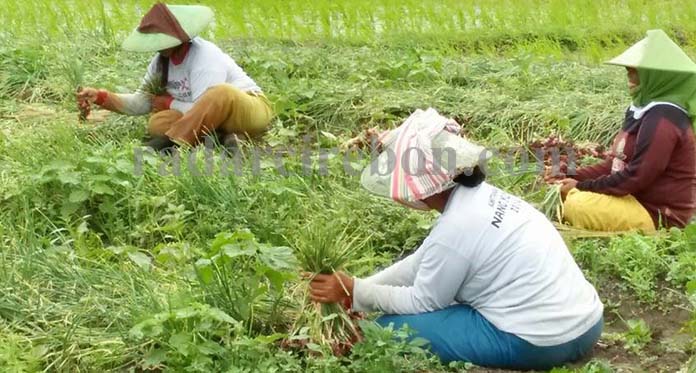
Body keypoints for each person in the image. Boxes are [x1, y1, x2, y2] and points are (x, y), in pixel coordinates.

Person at [309, 109, 604, 370]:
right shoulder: (482, 197)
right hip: (587, 323)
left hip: (540, 342)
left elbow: (423, 300)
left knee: (386, 329)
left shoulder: (455, 229)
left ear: (423, 185)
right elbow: (420, 263)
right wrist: (359, 289)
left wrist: (356, 292)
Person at [76, 3, 273, 150]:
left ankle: (168, 146)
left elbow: (204, 107)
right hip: (206, 119)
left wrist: (169, 103)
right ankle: (224, 138)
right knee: (158, 122)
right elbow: (141, 102)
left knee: (220, 93)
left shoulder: (204, 56)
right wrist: (101, 97)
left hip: (246, 110)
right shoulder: (160, 62)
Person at [557, 29, 696, 231]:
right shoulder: (644, 110)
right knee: (570, 195)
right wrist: (573, 174)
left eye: (635, 70)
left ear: (655, 76)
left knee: (576, 204)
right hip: (633, 200)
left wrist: (580, 187)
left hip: (656, 214)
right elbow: (616, 165)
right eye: (628, 70)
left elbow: (637, 176)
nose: (629, 75)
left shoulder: (664, 118)